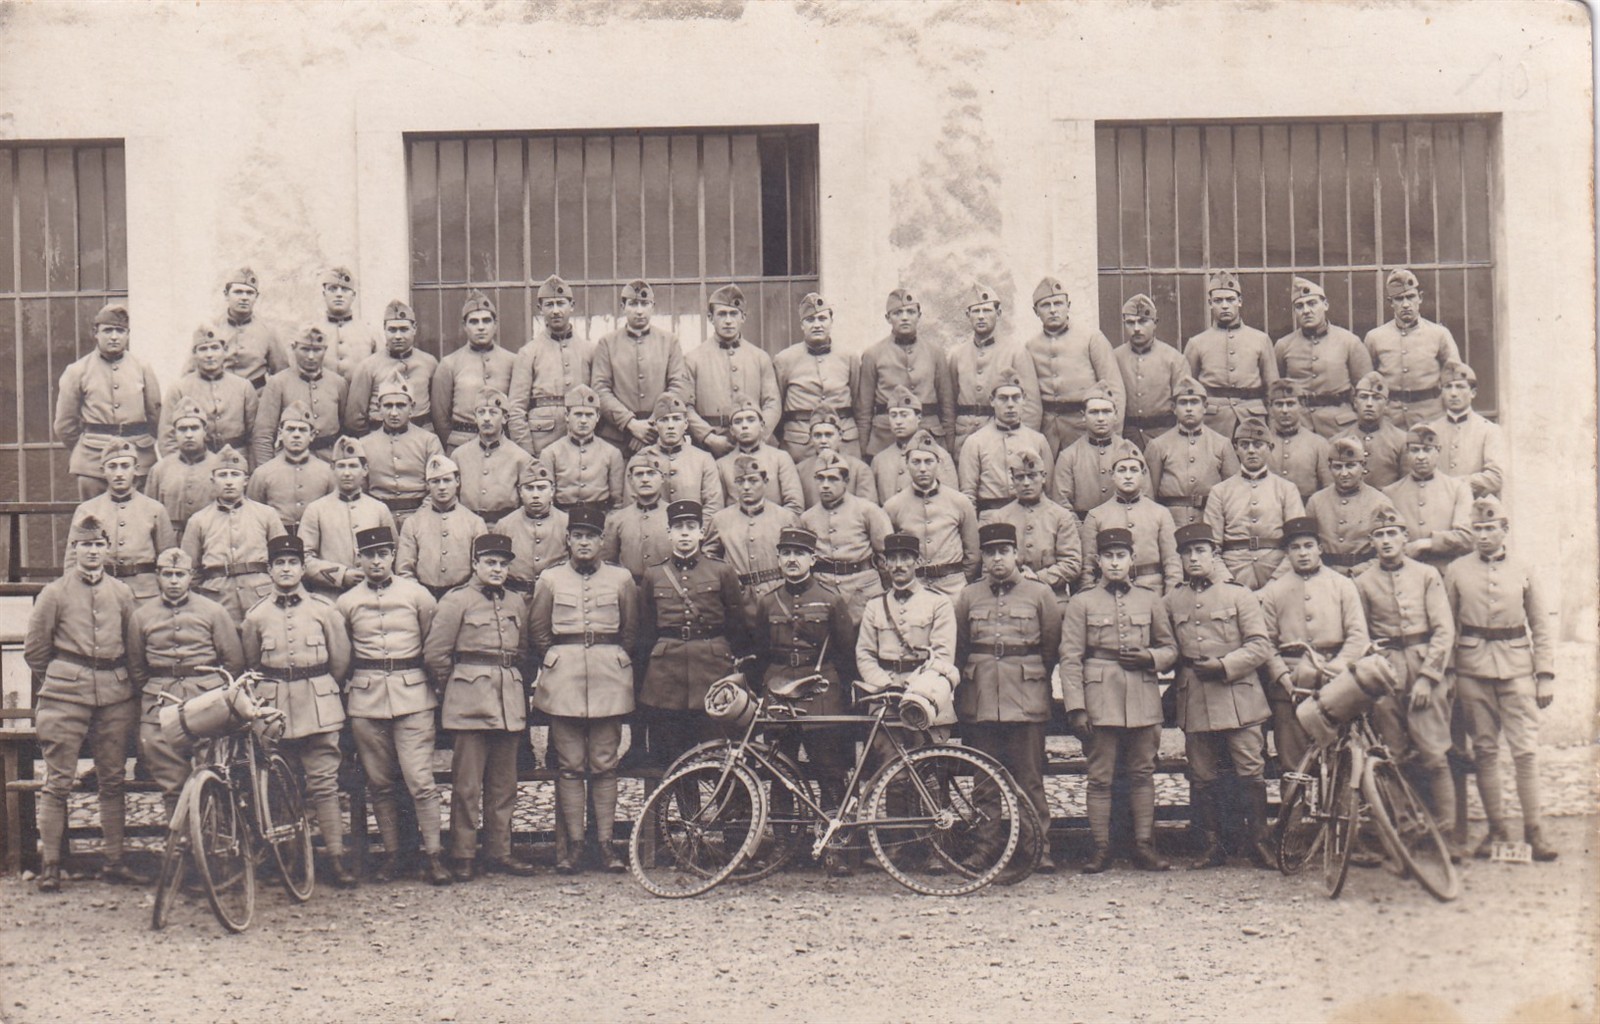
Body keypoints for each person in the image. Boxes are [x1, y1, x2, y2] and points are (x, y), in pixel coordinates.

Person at [24, 515, 140, 891]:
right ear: (73, 549)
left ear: (107, 549)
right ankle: (51, 865)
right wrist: (65, 676)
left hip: (114, 696)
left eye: (98, 544)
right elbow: (35, 650)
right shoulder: (54, 593)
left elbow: (133, 647)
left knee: (113, 779)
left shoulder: (122, 593)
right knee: (58, 782)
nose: (92, 551)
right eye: (85, 545)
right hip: (64, 697)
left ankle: (114, 862)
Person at [1443, 497, 1558, 861]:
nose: (1483, 535)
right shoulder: (1457, 570)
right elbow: (1447, 626)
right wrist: (1449, 672)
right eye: (1477, 528)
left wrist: (1544, 675)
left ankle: (1534, 831)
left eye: (1490, 528)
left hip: (1518, 669)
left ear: (1504, 530)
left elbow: (1540, 625)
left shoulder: (1524, 569)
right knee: (1485, 751)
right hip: (1472, 670)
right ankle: (1497, 830)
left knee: (1525, 751)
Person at [336, 525, 450, 885]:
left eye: (383, 554)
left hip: (413, 695)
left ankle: (434, 855)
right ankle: (392, 855)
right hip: (366, 700)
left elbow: (433, 642)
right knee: (380, 783)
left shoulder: (417, 595)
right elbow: (342, 653)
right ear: (359, 558)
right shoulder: (346, 602)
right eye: (369, 555)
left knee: (420, 781)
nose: (376, 561)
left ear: (393, 556)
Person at [529, 505, 640, 873]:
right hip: (564, 682)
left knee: (605, 765)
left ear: (602, 541)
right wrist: (560, 659)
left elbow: (631, 631)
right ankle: (575, 846)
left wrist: (612, 658)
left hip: (609, 680)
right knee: (570, 766)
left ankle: (606, 845)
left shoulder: (622, 579)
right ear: (568, 540)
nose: (584, 542)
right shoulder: (550, 579)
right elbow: (538, 631)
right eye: (577, 536)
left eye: (591, 536)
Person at [1060, 527, 1177, 873]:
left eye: (1120, 556)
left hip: (1142, 696)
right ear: (1097, 561)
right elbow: (1070, 658)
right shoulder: (1081, 602)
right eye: (1108, 556)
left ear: (1132, 559)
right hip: (1100, 699)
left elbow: (1170, 648)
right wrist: (1076, 707)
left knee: (1142, 773)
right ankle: (1100, 849)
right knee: (1100, 777)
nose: (1114, 563)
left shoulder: (1150, 599)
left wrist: (1150, 658)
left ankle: (1143, 846)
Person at [244, 532, 356, 887]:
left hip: (319, 705)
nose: (286, 569)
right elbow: (252, 664)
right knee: (281, 785)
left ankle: (336, 857)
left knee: (325, 784)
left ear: (303, 567)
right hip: (274, 709)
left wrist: (318, 686)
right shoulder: (256, 616)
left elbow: (340, 661)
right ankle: (291, 859)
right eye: (279, 563)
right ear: (269, 569)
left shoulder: (324, 610)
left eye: (293, 563)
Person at [424, 532, 538, 880]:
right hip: (469, 703)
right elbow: (436, 654)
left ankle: (499, 852)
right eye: (490, 562)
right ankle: (462, 854)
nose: (497, 569)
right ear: (475, 563)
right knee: (467, 786)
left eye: (503, 564)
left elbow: (523, 652)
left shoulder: (516, 602)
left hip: (508, 703)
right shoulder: (456, 600)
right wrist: (458, 687)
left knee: (504, 785)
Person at [954, 522, 1063, 872]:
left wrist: (1029, 675)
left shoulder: (1040, 594)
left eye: (1003, 551)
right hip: (981, 698)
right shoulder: (968, 596)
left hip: (1026, 697)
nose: (997, 559)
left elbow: (1050, 648)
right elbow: (961, 647)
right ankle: (986, 848)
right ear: (983, 557)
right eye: (990, 553)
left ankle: (1037, 849)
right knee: (984, 780)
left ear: (1016, 554)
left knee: (1029, 778)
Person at [1165, 523, 1275, 869]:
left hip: (1238, 696)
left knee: (1250, 770)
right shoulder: (1172, 599)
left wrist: (1225, 665)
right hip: (1195, 696)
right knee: (1202, 774)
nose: (1194, 558)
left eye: (1200, 551)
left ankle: (1259, 843)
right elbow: (1166, 646)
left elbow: (1260, 646)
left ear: (1214, 554)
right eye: (1187, 552)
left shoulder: (1239, 595)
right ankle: (1212, 845)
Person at [749, 526, 857, 872]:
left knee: (830, 770)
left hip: (821, 689)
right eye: (786, 553)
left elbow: (846, 653)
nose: (792, 560)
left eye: (799, 554)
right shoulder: (768, 602)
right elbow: (761, 652)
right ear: (779, 559)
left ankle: (833, 846)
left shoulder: (830, 600)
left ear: (812, 559)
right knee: (780, 769)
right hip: (779, 687)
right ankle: (782, 845)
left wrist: (840, 695)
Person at [1355, 508, 1461, 858]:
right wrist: (1375, 672)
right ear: (1371, 542)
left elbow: (1444, 630)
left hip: (1423, 668)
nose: (1386, 541)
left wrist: (1429, 678)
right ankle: (1406, 829)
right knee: (1392, 756)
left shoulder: (1427, 575)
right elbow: (1362, 635)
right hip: (1385, 674)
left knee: (1434, 755)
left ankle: (1446, 834)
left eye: (1392, 533)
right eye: (1379, 535)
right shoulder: (1363, 582)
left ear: (1405, 537)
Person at [127, 547, 245, 820]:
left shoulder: (213, 611)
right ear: (158, 576)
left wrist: (212, 691)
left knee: (213, 775)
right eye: (167, 574)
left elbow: (233, 661)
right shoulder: (141, 616)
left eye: (179, 574)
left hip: (206, 698)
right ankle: (179, 838)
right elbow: (137, 667)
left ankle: (216, 835)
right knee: (171, 781)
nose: (173, 581)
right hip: (161, 701)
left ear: (190, 576)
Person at [638, 500, 749, 767]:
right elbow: (647, 630)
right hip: (667, 676)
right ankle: (682, 797)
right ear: (669, 533)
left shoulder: (721, 571)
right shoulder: (653, 575)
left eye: (691, 526)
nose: (685, 533)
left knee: (716, 752)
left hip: (711, 671)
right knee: (671, 755)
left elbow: (736, 624)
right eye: (678, 527)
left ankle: (723, 797)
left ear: (701, 533)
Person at [1255, 517, 1369, 775]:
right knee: (1292, 764)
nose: (1303, 553)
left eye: (1309, 546)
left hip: (1336, 679)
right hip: (1291, 684)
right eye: (1295, 548)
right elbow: (1267, 642)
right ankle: (1294, 803)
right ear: (1287, 553)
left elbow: (1358, 636)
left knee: (1340, 759)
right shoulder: (1274, 591)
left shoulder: (1342, 585)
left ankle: (1335, 802)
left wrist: (1336, 669)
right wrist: (1281, 675)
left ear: (1320, 548)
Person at [854, 532, 959, 741]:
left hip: (927, 695)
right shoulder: (875, 605)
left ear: (917, 561)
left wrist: (915, 687)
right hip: (884, 699)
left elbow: (943, 656)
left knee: (928, 758)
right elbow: (864, 654)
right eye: (892, 559)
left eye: (905, 558)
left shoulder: (938, 603)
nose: (898, 565)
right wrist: (886, 686)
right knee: (886, 757)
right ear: (885, 564)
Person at [53, 303, 162, 498]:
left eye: (120, 331)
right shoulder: (77, 371)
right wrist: (87, 446)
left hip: (139, 459)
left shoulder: (142, 368)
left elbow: (155, 417)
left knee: (142, 513)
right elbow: (64, 425)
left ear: (128, 334)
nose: (114, 337)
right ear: (96, 333)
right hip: (93, 462)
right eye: (108, 330)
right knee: (95, 514)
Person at [182, 444, 286, 623]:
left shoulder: (267, 514)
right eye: (222, 475)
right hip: (218, 600)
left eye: (235, 474)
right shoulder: (198, 520)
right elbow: (190, 570)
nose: (229, 481)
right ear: (212, 480)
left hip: (261, 596)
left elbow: (283, 560)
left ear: (246, 480)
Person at [64, 441, 176, 606]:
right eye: (112, 467)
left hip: (145, 595)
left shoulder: (155, 509)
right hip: (101, 593)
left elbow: (168, 558)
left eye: (125, 466)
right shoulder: (87, 510)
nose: (119, 473)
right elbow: (73, 560)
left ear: (136, 469)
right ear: (103, 471)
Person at [1025, 276, 1124, 455]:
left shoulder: (1091, 339)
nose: (1053, 310)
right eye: (1045, 305)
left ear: (1068, 305)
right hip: (1048, 433)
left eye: (1058, 303)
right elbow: (1030, 400)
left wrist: (1113, 436)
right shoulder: (1031, 346)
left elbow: (1114, 388)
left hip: (1084, 429)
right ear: (1035, 311)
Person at [590, 279, 691, 454]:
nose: (639, 310)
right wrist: (630, 423)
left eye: (644, 304)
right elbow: (600, 389)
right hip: (617, 438)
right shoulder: (607, 343)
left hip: (660, 437)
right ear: (623, 307)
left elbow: (679, 386)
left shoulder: (669, 341)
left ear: (653, 307)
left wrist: (653, 424)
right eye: (633, 304)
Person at [1202, 419, 1304, 590]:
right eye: (1244, 445)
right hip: (1234, 575)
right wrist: (1229, 584)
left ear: (1270, 447)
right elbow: (1211, 548)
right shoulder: (1220, 491)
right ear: (1236, 448)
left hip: (1277, 577)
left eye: (1258, 445)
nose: (1251, 450)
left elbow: (1297, 543)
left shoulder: (1287, 489)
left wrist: (1275, 583)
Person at [857, 287, 955, 458]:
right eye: (897, 313)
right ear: (888, 318)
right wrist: (864, 450)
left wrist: (949, 446)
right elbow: (864, 410)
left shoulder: (935, 353)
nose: (904, 317)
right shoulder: (873, 355)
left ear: (919, 316)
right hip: (886, 438)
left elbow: (947, 406)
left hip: (928, 435)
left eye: (910, 312)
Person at [946, 282, 1042, 454]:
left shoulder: (1016, 352)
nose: (981, 316)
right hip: (964, 438)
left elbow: (1031, 407)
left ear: (998, 313)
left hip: (1002, 439)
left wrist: (1022, 443)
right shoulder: (957, 355)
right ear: (968, 315)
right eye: (976, 311)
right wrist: (951, 443)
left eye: (987, 311)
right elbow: (949, 405)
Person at [686, 284, 780, 457]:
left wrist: (758, 436)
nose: (728, 320)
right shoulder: (693, 359)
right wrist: (709, 438)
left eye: (733, 314)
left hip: (755, 446)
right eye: (722, 314)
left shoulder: (760, 357)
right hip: (710, 449)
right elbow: (686, 406)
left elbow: (772, 403)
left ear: (743, 317)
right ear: (710, 318)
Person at [800, 451, 893, 626]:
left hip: (864, 590)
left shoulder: (868, 510)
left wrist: (889, 590)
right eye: (820, 479)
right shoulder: (807, 518)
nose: (825, 485)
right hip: (825, 590)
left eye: (833, 479)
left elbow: (886, 554)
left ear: (846, 481)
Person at [1273, 277, 1372, 438]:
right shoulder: (1283, 345)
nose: (1306, 310)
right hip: (1299, 427)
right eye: (1299, 306)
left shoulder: (1349, 342)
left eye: (1312, 303)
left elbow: (1366, 388)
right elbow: (1275, 390)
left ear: (1325, 305)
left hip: (1340, 427)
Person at [1363, 267, 1462, 428]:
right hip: (1389, 420)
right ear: (1390, 302)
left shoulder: (1439, 334)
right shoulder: (1375, 337)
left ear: (1420, 298)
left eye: (1410, 297)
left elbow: (1455, 376)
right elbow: (1366, 381)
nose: (1405, 304)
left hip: (1431, 417)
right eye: (1399, 299)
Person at [1184, 270, 1278, 439]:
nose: (1225, 305)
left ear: (1239, 301)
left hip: (1253, 418)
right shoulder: (1197, 343)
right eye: (1218, 301)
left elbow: (1272, 390)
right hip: (1213, 422)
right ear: (1210, 303)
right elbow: (1187, 390)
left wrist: (1273, 429)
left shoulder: (1261, 339)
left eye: (1230, 299)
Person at [885, 432, 980, 597]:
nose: (923, 469)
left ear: (939, 462)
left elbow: (973, 552)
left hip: (953, 586)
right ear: (906, 464)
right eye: (916, 462)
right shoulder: (893, 506)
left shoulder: (960, 502)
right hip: (913, 586)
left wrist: (961, 580)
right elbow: (885, 555)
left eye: (929, 461)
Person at [509, 275, 595, 456]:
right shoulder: (528, 353)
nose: (555, 311)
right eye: (549, 305)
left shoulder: (590, 351)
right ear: (540, 309)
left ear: (572, 306)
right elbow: (516, 410)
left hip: (583, 444)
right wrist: (528, 454)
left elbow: (599, 400)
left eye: (561, 303)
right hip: (541, 444)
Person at [299, 436, 398, 593]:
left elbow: (394, 553)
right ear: (332, 469)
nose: (346, 473)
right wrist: (341, 575)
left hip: (373, 594)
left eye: (353, 466)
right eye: (341, 466)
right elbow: (303, 558)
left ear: (365, 470)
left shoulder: (379, 509)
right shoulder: (316, 509)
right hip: (330, 596)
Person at [1079, 447, 1181, 595]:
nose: (1128, 476)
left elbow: (1172, 563)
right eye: (1122, 470)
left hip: (1153, 593)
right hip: (1110, 594)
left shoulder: (1160, 513)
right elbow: (1088, 568)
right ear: (1112, 475)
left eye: (1134, 470)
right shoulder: (1096, 515)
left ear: (1143, 474)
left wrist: (1170, 599)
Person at [703, 455, 800, 609]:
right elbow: (709, 558)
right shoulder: (720, 520)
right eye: (740, 481)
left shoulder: (785, 518)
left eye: (753, 481)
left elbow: (799, 559)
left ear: (765, 482)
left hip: (778, 597)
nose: (746, 487)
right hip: (738, 599)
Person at [988, 449, 1082, 608]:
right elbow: (990, 563)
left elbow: (1072, 563)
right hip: (1010, 596)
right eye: (1020, 477)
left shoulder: (1061, 516)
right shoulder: (1000, 517)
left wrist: (1039, 577)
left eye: (1032, 476)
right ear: (1012, 480)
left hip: (1053, 596)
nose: (1026, 483)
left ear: (1043, 477)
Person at [774, 292, 861, 461]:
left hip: (844, 442)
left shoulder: (849, 357)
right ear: (802, 324)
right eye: (810, 320)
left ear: (831, 321)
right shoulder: (784, 359)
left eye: (822, 319)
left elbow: (859, 403)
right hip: (799, 444)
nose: (817, 325)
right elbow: (778, 408)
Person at [957, 367, 1053, 518]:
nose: (1010, 404)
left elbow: (1048, 491)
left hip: (1031, 518)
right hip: (990, 519)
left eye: (1016, 398)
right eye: (1003, 398)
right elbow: (968, 495)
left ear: (1024, 400)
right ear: (992, 401)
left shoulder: (1038, 440)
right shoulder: (975, 442)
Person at [1143, 378, 1237, 529]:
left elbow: (1233, 493)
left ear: (1205, 407)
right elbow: (1148, 495)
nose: (1188, 408)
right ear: (1174, 408)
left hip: (1209, 521)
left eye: (1194, 402)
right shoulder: (1158, 445)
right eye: (1183, 403)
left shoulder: (1222, 444)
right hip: (1171, 523)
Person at [158, 324, 258, 461]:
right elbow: (167, 439)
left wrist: (252, 466)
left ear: (225, 351)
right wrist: (180, 467)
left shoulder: (244, 387)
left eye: (215, 348)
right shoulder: (179, 389)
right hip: (197, 461)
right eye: (203, 349)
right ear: (194, 354)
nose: (209, 355)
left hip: (237, 461)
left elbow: (255, 435)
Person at [432, 291, 517, 452]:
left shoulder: (512, 361)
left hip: (502, 446)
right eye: (474, 322)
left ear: (495, 324)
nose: (481, 327)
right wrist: (455, 448)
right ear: (464, 326)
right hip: (461, 444)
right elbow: (440, 418)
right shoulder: (449, 364)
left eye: (486, 320)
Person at [1383, 425, 1473, 575]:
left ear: (1438, 451)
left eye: (1427, 450)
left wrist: (1426, 543)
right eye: (1415, 450)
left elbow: (1467, 538)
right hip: (1405, 575)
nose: (1421, 457)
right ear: (1407, 453)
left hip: (1446, 573)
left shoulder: (1458, 489)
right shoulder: (1390, 493)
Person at [255, 323, 349, 466]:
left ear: (325, 350)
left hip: (328, 462)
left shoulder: (338, 383)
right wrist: (267, 470)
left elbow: (346, 428)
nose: (311, 356)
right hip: (289, 462)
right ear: (294, 348)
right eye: (305, 349)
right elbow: (263, 434)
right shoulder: (278, 383)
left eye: (317, 350)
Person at [1305, 437, 1398, 578]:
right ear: (1329, 467)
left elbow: (1389, 551)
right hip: (1324, 576)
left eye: (1350, 466)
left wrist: (1356, 572)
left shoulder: (1380, 502)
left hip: (1366, 576)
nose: (1344, 473)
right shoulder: (1316, 501)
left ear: (1363, 465)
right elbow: (1307, 544)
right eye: (1337, 467)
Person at [397, 454, 487, 598]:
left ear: (457, 481)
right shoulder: (413, 523)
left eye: (447, 480)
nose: (442, 487)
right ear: (427, 485)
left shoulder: (475, 523)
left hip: (463, 597)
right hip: (423, 595)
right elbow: (404, 570)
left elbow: (481, 569)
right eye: (435, 481)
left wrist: (464, 597)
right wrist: (420, 596)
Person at [345, 300, 439, 435]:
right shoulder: (368, 366)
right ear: (384, 330)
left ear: (414, 328)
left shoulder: (429, 363)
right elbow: (355, 418)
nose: (398, 336)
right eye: (392, 330)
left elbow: (438, 411)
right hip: (381, 436)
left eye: (404, 329)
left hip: (421, 436)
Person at [361, 372, 444, 523]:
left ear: (412, 408)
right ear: (379, 408)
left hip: (421, 516)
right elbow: (361, 489)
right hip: (378, 517)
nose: (394, 413)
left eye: (400, 406)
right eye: (388, 406)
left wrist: (419, 518)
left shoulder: (429, 441)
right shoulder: (364, 444)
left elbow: (439, 483)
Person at [1051, 387, 1145, 519]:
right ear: (1083, 416)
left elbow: (1145, 497)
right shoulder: (1069, 456)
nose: (1100, 418)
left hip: (1125, 524)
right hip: (1083, 525)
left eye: (1106, 412)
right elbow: (1062, 505)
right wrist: (1082, 530)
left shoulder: (1131, 452)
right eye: (1094, 412)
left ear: (1116, 415)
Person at [246, 400, 336, 533]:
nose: (296, 435)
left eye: (302, 430)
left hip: (316, 537)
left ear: (312, 436)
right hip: (277, 539)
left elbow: (334, 514)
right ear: (280, 433)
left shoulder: (327, 472)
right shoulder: (262, 474)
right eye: (290, 429)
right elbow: (253, 516)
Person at [1111, 293, 1186, 450]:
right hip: (1127, 438)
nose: (1136, 328)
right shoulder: (1114, 358)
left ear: (1155, 323)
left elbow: (1185, 403)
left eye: (1143, 321)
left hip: (1164, 436)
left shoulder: (1174, 358)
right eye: (1130, 323)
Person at [451, 387, 533, 524]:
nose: (486, 418)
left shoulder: (520, 458)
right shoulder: (459, 455)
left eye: (493, 412)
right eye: (481, 412)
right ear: (475, 417)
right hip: (467, 525)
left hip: (505, 527)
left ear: (505, 418)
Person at [540, 384, 626, 510]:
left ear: (597, 417)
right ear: (566, 416)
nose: (583, 420)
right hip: (563, 516)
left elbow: (617, 502)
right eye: (578, 414)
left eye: (589, 415)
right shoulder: (550, 453)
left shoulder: (612, 453)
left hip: (600, 517)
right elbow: (547, 500)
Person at [1428, 360, 1506, 498]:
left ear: (1473, 393)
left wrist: (1458, 484)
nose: (1453, 393)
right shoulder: (1431, 430)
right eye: (1448, 387)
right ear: (1442, 392)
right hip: (1438, 504)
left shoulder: (1489, 430)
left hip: (1474, 506)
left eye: (1460, 387)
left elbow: (1495, 478)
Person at [145, 397, 220, 539]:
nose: (189, 435)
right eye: (182, 429)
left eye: (194, 428)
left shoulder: (219, 466)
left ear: (205, 431)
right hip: (171, 541)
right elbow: (149, 516)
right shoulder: (160, 470)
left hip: (210, 539)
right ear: (174, 433)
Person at [636, 394, 723, 514]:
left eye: (676, 419)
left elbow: (713, 506)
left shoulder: (703, 459)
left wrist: (696, 526)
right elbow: (632, 508)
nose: (670, 426)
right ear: (655, 425)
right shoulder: (641, 458)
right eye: (664, 420)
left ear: (686, 424)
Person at [714, 398, 804, 513]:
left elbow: (795, 505)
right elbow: (717, 511)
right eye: (738, 422)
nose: (744, 426)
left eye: (751, 420)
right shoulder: (721, 465)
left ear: (762, 426)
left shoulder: (780, 458)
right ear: (731, 430)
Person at [207, 266, 289, 390]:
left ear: (256, 297)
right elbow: (192, 372)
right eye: (238, 292)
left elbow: (282, 375)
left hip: (256, 396)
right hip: (220, 395)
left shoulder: (268, 331)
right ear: (226, 295)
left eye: (250, 293)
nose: (244, 297)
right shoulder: (212, 328)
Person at [495, 462, 569, 596]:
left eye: (541, 488)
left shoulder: (566, 523)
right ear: (520, 492)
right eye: (529, 488)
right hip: (515, 595)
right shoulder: (505, 525)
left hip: (555, 595)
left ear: (552, 490)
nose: (535, 495)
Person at [869, 391, 959, 499]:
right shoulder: (880, 460)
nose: (898, 421)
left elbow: (951, 500)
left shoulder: (939, 455)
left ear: (919, 418)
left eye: (904, 415)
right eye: (893, 415)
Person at [600, 453, 669, 582]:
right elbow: (607, 562)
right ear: (631, 480)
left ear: (662, 478)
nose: (645, 479)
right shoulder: (617, 519)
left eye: (651, 473)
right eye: (639, 474)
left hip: (666, 587)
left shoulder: (673, 516)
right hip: (630, 587)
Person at [1334, 371, 1409, 489]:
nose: (1369, 404)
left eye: (1376, 398)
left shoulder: (1402, 441)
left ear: (1386, 404)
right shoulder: (1339, 441)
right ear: (1355, 402)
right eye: (1364, 397)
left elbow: (1406, 485)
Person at [1262, 379, 1332, 501]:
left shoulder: (1318, 444)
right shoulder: (1261, 443)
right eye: (1279, 404)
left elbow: (1329, 488)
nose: (1285, 410)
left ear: (1301, 405)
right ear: (1270, 408)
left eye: (1290, 404)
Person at [310, 265, 381, 380]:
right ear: (324, 294)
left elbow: (382, 372)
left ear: (353, 296)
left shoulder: (370, 333)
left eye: (345, 289)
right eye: (333, 289)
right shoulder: (311, 332)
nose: (339, 294)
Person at [795, 410, 878, 509]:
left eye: (828, 435)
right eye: (817, 435)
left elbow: (868, 509)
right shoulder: (800, 470)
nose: (823, 441)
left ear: (840, 435)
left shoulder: (860, 469)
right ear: (811, 438)